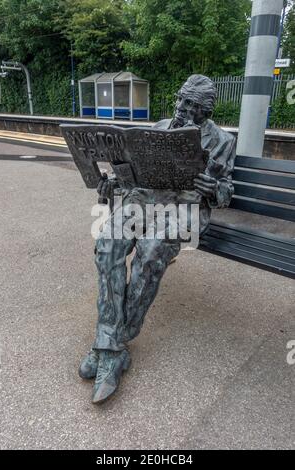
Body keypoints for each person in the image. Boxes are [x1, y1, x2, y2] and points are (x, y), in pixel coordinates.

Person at [79, 75, 236, 404]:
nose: (183, 109)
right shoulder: (159, 126)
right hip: (141, 201)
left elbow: (226, 193)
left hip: (182, 209)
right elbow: (131, 175)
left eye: (193, 106)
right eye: (182, 100)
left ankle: (109, 345)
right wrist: (111, 186)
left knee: (149, 254)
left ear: (207, 111)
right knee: (107, 247)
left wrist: (215, 189)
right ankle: (113, 349)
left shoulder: (222, 140)